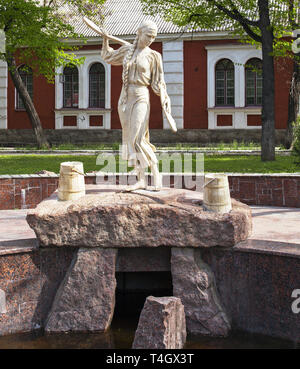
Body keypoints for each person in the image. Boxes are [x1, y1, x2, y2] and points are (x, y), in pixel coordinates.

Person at [100, 20, 176, 191]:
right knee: (129, 139)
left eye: (154, 37)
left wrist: (165, 99)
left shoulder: (154, 56)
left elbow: (159, 82)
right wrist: (105, 39)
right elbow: (108, 57)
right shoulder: (128, 50)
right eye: (148, 35)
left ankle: (156, 175)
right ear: (139, 32)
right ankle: (141, 178)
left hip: (142, 95)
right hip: (125, 97)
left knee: (138, 138)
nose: (151, 39)